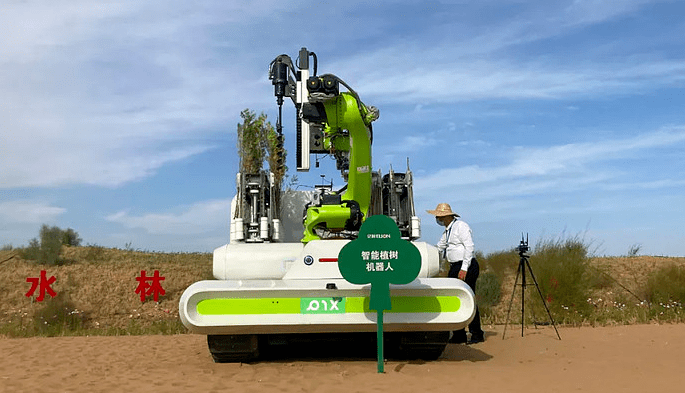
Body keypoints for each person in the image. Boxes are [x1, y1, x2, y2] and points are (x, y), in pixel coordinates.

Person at [427, 203, 484, 344]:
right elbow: (440, 247)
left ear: (446, 216)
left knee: (469, 298)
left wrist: (464, 268)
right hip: (454, 266)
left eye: (439, 217)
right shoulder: (447, 231)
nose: (438, 220)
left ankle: (476, 333)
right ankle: (459, 335)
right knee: (455, 299)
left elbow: (469, 247)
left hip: (466, 265)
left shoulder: (461, 227)